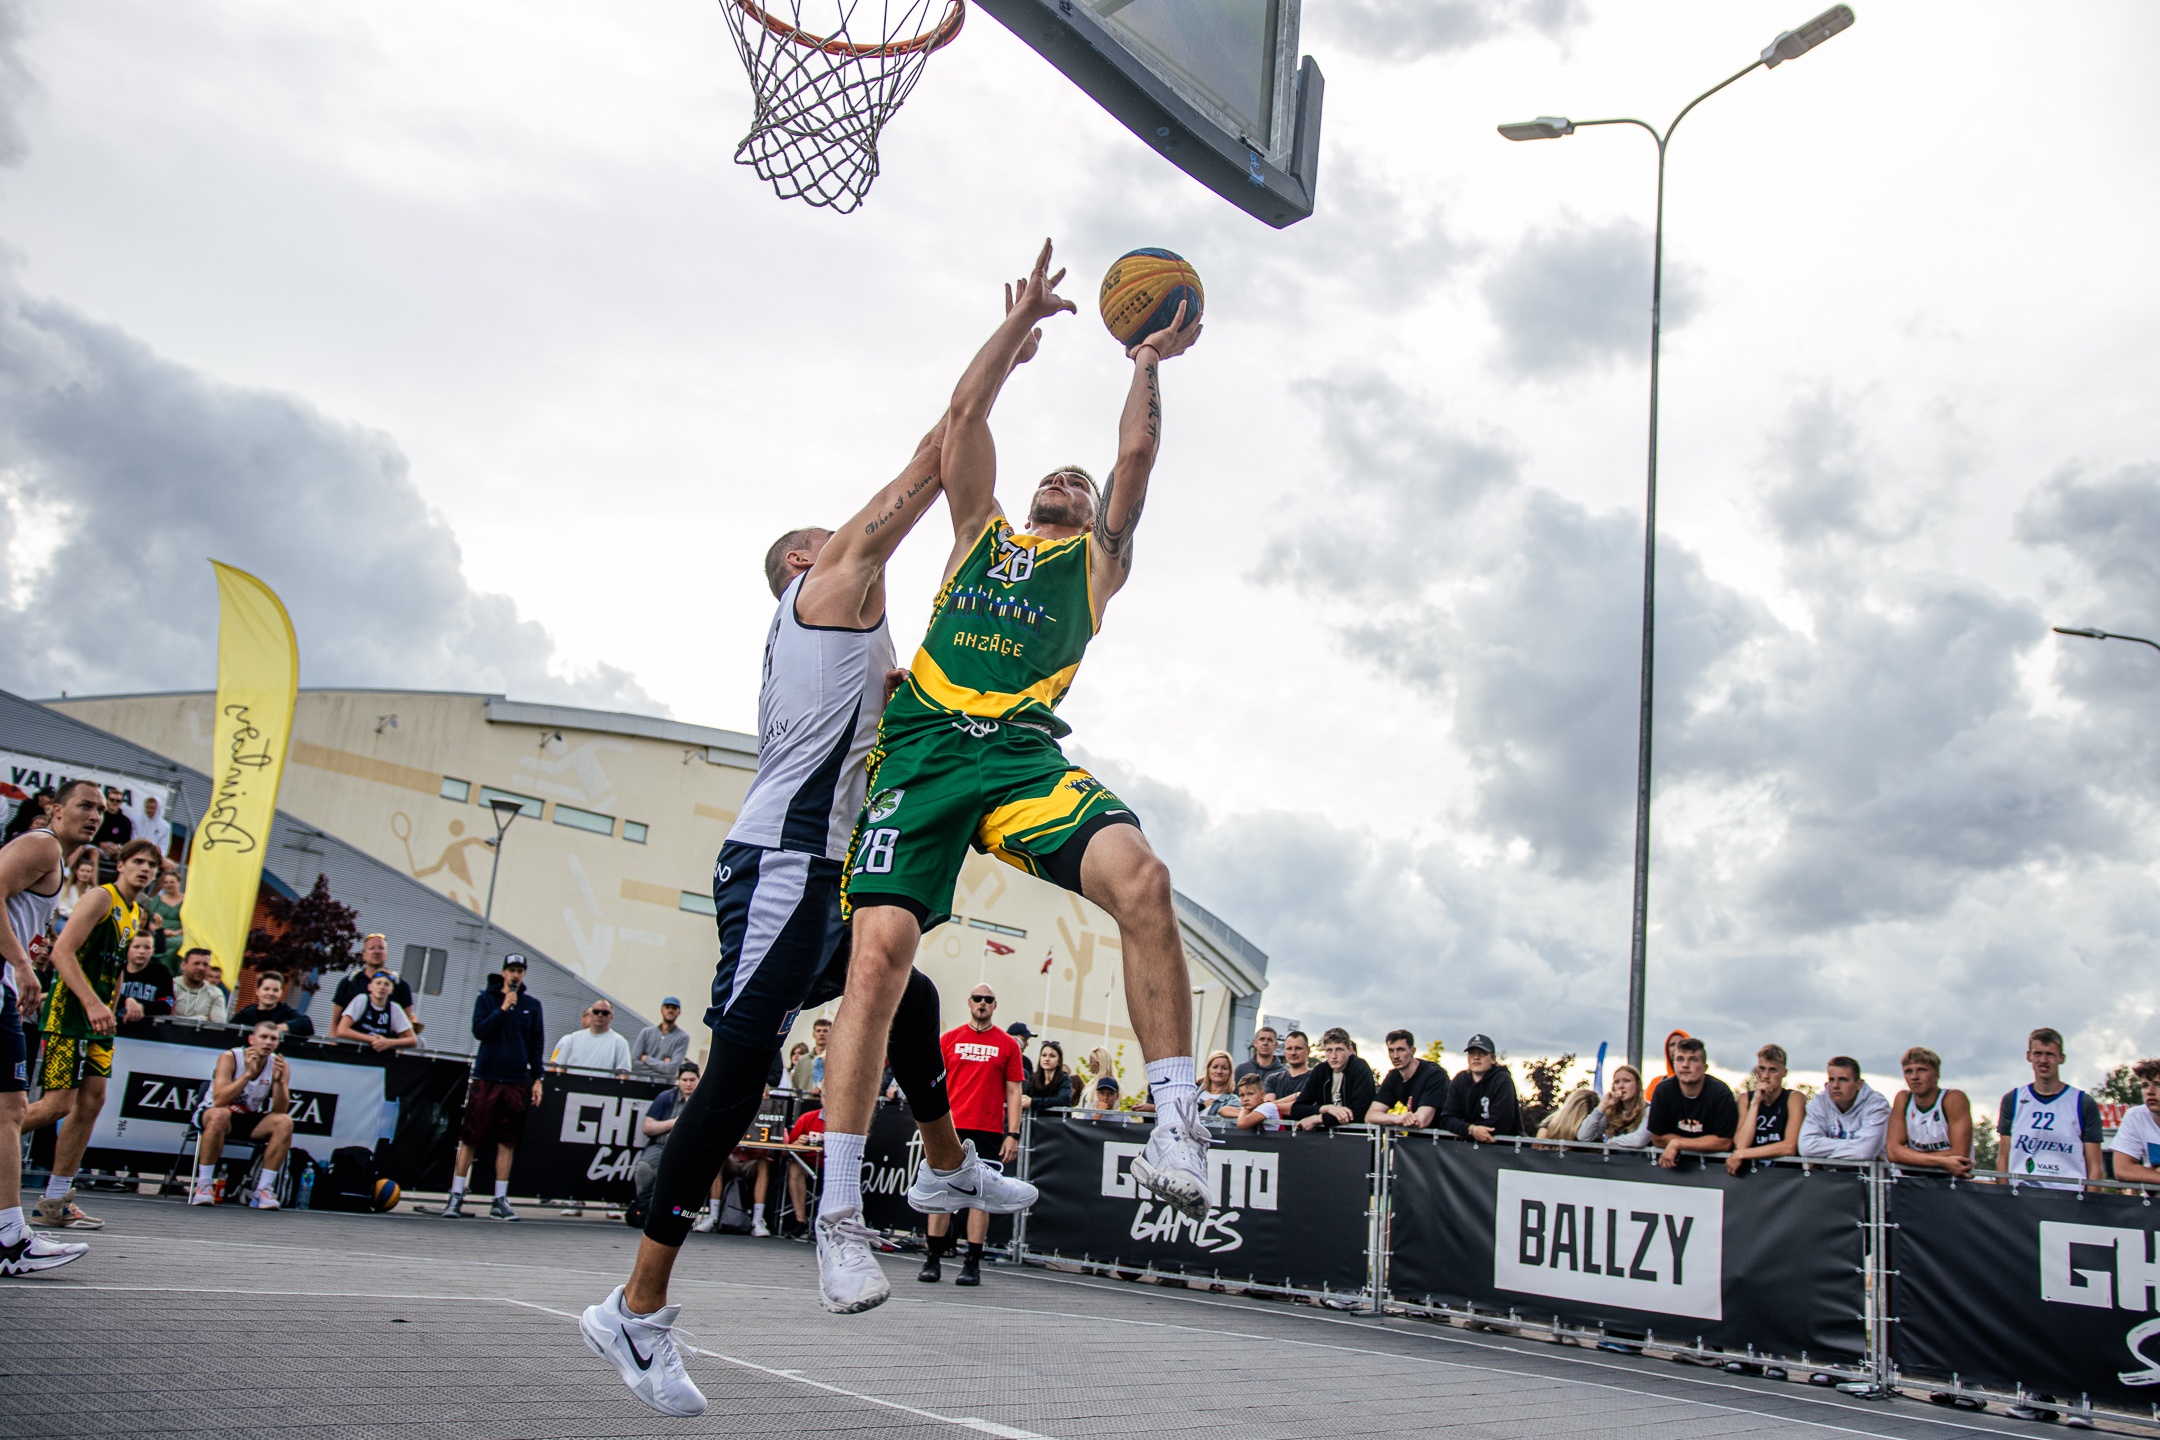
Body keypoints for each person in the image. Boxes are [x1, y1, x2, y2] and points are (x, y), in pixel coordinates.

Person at [580, 303, 1038, 1419]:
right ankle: (635, 1308)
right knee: (736, 1076)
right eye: (829, 537)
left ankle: (945, 1160)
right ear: (803, 558)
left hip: (815, 871)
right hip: (782, 866)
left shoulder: (849, 644)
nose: (852, 542)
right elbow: (940, 450)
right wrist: (1009, 347)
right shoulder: (827, 585)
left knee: (906, 991)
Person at [818, 239, 1213, 1316]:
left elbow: (1135, 456)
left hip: (1021, 756)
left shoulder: (1094, 565)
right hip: (925, 751)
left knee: (1144, 879)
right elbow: (962, 418)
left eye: (1078, 481)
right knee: (878, 961)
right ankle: (841, 1219)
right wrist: (1018, 327)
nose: (1066, 481)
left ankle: (1177, 1123)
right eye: (1057, 475)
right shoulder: (977, 535)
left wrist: (1146, 358)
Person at [26, 835, 161, 1230]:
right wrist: (91, 1003)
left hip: (98, 1020)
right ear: (120, 865)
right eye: (138, 862)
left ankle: (55, 1201)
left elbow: (115, 966)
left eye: (151, 865)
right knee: (56, 1105)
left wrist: (113, 1004)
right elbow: (62, 952)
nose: (145, 869)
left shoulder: (135, 912)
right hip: (70, 1014)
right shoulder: (101, 897)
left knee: (92, 1103)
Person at [0, 777, 99, 1272]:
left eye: (100, 810)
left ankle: (9, 1235)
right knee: (10, 1111)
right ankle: (9, 1238)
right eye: (84, 805)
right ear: (55, 810)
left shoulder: (53, 860)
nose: (94, 815)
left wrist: (27, 955)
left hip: (6, 989)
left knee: (11, 1110)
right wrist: (21, 964)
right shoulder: (42, 845)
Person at [921, 985, 1027, 1287]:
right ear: (969, 1003)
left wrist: (1013, 1133)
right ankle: (933, 1259)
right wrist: (929, 1123)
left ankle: (972, 1264)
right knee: (942, 1193)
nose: (982, 1003)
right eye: (978, 999)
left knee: (981, 1197)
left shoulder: (1008, 1045)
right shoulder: (949, 1039)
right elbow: (932, 1081)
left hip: (988, 1130)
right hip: (950, 1128)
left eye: (988, 1000)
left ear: (995, 1005)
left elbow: (1014, 1091)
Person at [440, 955, 545, 1221]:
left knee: (508, 1140)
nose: (515, 975)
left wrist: (537, 1078)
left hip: (515, 1080)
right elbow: (479, 1030)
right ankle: (456, 1194)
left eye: (520, 970)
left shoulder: (532, 1005)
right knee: (470, 1137)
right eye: (511, 970)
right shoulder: (486, 999)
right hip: (487, 1076)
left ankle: (499, 1199)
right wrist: (502, 1008)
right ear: (503, 972)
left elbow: (536, 1044)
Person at [189, 1019, 294, 1208]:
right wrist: (247, 1075)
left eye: (273, 1039)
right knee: (220, 1115)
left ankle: (263, 1189)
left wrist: (279, 1083)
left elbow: (280, 1110)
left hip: (247, 1116)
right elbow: (219, 1100)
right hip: (215, 1113)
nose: (268, 1042)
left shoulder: (279, 1064)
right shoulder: (230, 1057)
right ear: (251, 1039)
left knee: (284, 1122)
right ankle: (204, 1185)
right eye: (263, 1037)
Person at [1996, 1027, 2102, 1186]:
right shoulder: (2013, 1099)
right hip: (2022, 1193)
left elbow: (2095, 1166)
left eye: (2050, 1054)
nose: (2043, 1060)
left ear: (2061, 1058)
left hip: (2069, 1194)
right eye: (2038, 1054)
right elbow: (2003, 1158)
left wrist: (2091, 1198)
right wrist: (2003, 1196)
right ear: (2028, 1056)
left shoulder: (2082, 1102)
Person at [1646, 1036, 1740, 1169]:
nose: (1685, 1065)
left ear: (1705, 1067)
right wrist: (1697, 1142)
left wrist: (1677, 1143)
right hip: (1670, 1166)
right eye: (1680, 1059)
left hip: (1713, 1168)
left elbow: (1724, 1142)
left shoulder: (1720, 1093)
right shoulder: (1663, 1090)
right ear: (1673, 1064)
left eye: (1693, 1059)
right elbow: (1658, 1138)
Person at [1884, 1046, 1973, 1177]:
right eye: (1908, 1071)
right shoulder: (1903, 1099)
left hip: (1953, 1181)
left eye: (1921, 1070)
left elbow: (1959, 1154)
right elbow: (1893, 1152)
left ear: (1936, 1074)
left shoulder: (1953, 1098)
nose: (1914, 1077)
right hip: (1915, 1181)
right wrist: (1943, 1161)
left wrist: (1910, 1157)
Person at [633, 1062, 703, 1224]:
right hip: (660, 1146)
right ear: (678, 1080)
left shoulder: (703, 1100)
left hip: (690, 1150)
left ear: (698, 1080)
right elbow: (647, 1127)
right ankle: (644, 1207)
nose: (688, 1084)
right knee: (643, 1168)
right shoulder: (666, 1097)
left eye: (692, 1080)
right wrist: (675, 1122)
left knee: (684, 1177)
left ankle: (677, 1215)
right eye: (684, 1080)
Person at [1724, 1046, 1799, 1174]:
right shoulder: (1745, 1099)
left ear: (1784, 1072)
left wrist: (1743, 1154)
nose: (1765, 1076)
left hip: (1783, 1176)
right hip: (1751, 1175)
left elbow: (1789, 1147)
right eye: (1762, 1069)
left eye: (1773, 1070)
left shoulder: (1793, 1098)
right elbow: (1740, 1145)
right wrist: (1755, 1102)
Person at [1797, 1057, 1890, 1160]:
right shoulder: (1819, 1101)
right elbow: (1806, 1147)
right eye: (1831, 1080)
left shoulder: (1876, 1104)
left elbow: (1864, 1152)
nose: (1835, 1085)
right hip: (1831, 1170)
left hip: (1869, 1170)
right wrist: (1854, 1146)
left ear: (1859, 1084)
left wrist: (1823, 1156)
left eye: (1843, 1080)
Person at [1439, 1034, 1523, 1143]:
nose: (1476, 1057)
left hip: (1503, 1146)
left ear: (1493, 1059)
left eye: (1482, 1053)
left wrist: (1465, 1128)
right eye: (1471, 1053)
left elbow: (1502, 1123)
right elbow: (1446, 1119)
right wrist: (1471, 1130)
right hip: (1467, 1147)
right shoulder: (1460, 1080)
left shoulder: (1502, 1079)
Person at [1290, 1028, 1377, 1131]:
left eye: (1339, 1049)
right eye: (1329, 1050)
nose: (1334, 1056)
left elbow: (1358, 1113)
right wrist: (1327, 1108)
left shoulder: (1359, 1068)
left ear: (1350, 1051)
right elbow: (1296, 1109)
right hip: (1326, 1137)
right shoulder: (1320, 1070)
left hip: (1356, 1136)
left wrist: (1319, 1118)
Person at [1367, 1029, 1449, 1129]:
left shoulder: (1434, 1074)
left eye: (1400, 1050)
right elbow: (1370, 1116)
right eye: (1391, 1051)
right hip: (1417, 1135)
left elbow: (1421, 1121)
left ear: (1412, 1051)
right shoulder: (1393, 1077)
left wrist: (1395, 1119)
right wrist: (1396, 1118)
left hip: (1445, 1135)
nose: (1395, 1056)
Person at [331, 934, 414, 1018]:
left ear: (386, 954)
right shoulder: (349, 983)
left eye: (381, 948)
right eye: (371, 948)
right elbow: (335, 1022)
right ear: (363, 955)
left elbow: (407, 1022)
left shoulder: (400, 985)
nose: (376, 952)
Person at [332, 971, 418, 1051]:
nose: (382, 987)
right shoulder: (361, 1000)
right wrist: (372, 1039)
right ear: (369, 987)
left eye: (386, 984)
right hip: (354, 1052)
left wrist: (388, 1042)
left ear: (391, 990)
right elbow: (342, 1031)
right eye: (378, 983)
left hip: (380, 1056)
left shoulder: (394, 1008)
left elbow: (412, 1040)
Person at [2109, 1058, 2160, 1186]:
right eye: (2145, 1085)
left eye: (2158, 1084)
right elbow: (2122, 1169)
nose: (2150, 1092)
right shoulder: (2136, 1116)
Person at [549, 1001, 633, 1077]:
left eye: (605, 1013)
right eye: (596, 1012)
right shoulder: (571, 1039)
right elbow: (558, 1068)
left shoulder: (620, 1042)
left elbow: (623, 1075)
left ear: (611, 1017)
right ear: (591, 1014)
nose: (600, 1015)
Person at [1579, 1065, 1651, 1148]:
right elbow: (1583, 1136)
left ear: (1637, 1084)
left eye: (1627, 1081)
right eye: (1617, 1082)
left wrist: (1611, 1141)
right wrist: (1602, 1106)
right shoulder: (1611, 1110)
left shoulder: (1649, 1109)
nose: (1621, 1086)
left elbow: (1639, 1140)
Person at [230, 970, 311, 1038]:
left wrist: (276, 1028)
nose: (270, 993)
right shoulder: (245, 1014)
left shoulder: (286, 1012)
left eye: (275, 990)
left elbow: (306, 1024)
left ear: (281, 993)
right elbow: (227, 1032)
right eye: (266, 989)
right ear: (257, 991)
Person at [116, 933, 174, 1021]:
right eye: (136, 947)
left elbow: (168, 1004)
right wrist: (127, 1001)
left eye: (147, 948)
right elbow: (104, 997)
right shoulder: (116, 969)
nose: (142, 951)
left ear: (152, 951)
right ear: (127, 949)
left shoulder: (161, 972)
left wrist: (142, 1007)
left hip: (150, 1026)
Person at [633, 998, 691, 1083]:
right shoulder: (646, 1032)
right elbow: (634, 1062)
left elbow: (672, 1068)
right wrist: (663, 1067)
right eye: (667, 1007)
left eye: (674, 1008)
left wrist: (646, 1059)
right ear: (662, 1009)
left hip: (665, 1086)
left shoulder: (683, 1038)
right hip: (641, 1083)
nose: (670, 1010)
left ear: (679, 1012)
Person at [170, 947, 230, 1024]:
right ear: (183, 965)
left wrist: (177, 1019)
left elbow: (218, 1026)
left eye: (205, 964)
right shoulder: (170, 986)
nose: (201, 968)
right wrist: (204, 1019)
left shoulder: (215, 993)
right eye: (196, 963)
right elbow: (163, 1020)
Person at [138, 866, 182, 956]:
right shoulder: (157, 900)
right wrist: (158, 930)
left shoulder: (187, 901)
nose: (169, 885)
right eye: (166, 882)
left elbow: (191, 924)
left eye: (172, 882)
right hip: (157, 931)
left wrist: (174, 932)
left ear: (179, 883)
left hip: (179, 933)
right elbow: (148, 919)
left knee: (176, 943)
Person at [1236, 1025, 1291, 1097]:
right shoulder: (1241, 1070)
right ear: (1255, 1043)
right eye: (1262, 1039)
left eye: (1270, 1040)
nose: (1265, 1043)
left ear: (1275, 1045)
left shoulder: (1284, 1075)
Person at [1024, 1039, 1075, 1112]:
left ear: (1059, 1061)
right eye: (1044, 1055)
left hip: (1056, 1119)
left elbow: (1063, 1100)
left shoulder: (1064, 1079)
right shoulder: (1033, 1079)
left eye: (1052, 1056)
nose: (1047, 1059)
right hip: (1035, 1119)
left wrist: (1033, 1102)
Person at [1646, 1029, 1690, 1102]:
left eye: (1681, 1044)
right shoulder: (1656, 1082)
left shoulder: (1701, 1082)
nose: (1676, 1048)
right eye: (1672, 1044)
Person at [1196, 1050, 1239, 1119]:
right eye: (1215, 1067)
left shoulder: (1233, 1101)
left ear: (1230, 1072)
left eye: (1224, 1068)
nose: (1219, 1071)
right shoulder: (1194, 1092)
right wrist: (1202, 1106)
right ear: (1208, 1070)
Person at [1274, 1030, 1314, 1101]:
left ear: (1308, 1051)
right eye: (1289, 1049)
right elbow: (1267, 1106)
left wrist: (1273, 1105)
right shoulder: (1273, 1079)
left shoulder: (1315, 1079)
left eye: (1298, 1048)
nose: (1293, 1053)